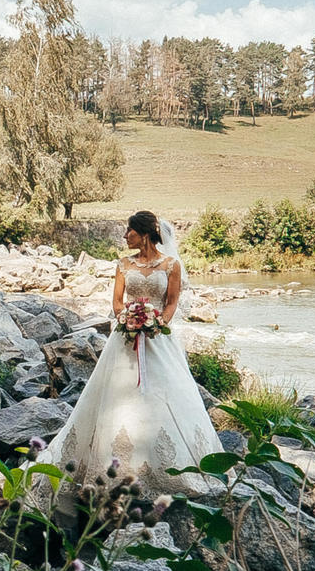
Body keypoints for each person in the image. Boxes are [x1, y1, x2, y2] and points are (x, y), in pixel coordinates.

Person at [42, 208, 223, 496]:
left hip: (158, 339)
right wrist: (127, 318)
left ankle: (171, 467)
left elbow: (172, 302)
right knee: (118, 398)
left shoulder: (171, 265)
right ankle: (111, 468)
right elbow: (116, 301)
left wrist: (157, 323)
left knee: (165, 396)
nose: (126, 236)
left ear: (146, 233)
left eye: (130, 231)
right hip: (124, 338)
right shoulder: (124, 264)